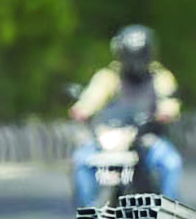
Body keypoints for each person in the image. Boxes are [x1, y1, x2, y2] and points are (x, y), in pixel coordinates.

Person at [69, 24, 183, 208]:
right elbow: (92, 99)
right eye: (131, 55)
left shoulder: (160, 77)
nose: (135, 61)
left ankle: (170, 216)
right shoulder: (108, 76)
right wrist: (81, 110)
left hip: (147, 138)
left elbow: (169, 102)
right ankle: (89, 212)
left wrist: (165, 114)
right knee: (82, 161)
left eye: (140, 55)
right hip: (111, 137)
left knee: (171, 163)